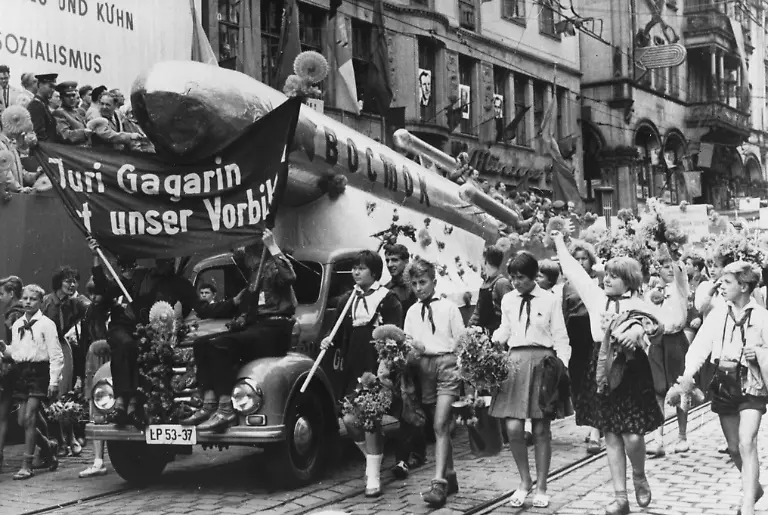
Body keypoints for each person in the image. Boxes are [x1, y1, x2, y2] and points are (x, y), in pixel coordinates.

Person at [552, 231, 663, 515]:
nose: (608, 279)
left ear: (630, 281)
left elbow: (656, 327)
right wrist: (559, 241)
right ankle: (620, 498)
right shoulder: (596, 298)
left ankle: (639, 473)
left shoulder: (639, 304)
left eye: (615, 276)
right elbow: (574, 271)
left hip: (631, 371)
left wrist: (637, 332)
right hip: (601, 368)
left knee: (633, 436)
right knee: (611, 435)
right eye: (607, 275)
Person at [182, 229, 296, 432]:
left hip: (276, 329)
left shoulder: (271, 266)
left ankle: (225, 407)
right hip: (257, 327)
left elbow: (289, 276)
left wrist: (271, 245)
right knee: (202, 344)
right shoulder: (254, 275)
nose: (245, 256)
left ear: (257, 251)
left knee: (224, 345)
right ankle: (209, 402)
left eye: (249, 250)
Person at [681, 261, 768, 515]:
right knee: (733, 447)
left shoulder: (762, 317)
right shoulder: (718, 314)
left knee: (746, 441)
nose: (721, 286)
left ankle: (747, 503)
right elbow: (700, 346)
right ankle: (753, 487)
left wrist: (758, 353)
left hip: (751, 384)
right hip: (724, 382)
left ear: (744, 286)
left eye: (727, 282)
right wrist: (688, 374)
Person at [490, 252, 570, 509]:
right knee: (513, 428)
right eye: (513, 277)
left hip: (542, 364)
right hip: (515, 363)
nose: (516, 282)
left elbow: (560, 335)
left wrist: (562, 368)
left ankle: (542, 486)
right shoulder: (508, 299)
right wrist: (492, 340)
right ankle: (525, 481)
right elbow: (505, 329)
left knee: (540, 428)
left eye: (521, 277)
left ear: (534, 276)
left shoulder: (550, 299)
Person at [319, 250, 402, 497]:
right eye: (354, 268)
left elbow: (395, 336)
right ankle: (372, 459)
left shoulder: (387, 298)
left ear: (374, 273)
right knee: (349, 420)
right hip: (353, 365)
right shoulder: (347, 300)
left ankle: (373, 477)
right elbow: (340, 333)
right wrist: (329, 340)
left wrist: (386, 368)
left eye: (361, 268)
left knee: (369, 419)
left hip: (376, 363)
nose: (356, 272)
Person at [88, 239, 197, 427]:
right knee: (127, 345)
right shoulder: (140, 276)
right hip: (124, 327)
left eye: (169, 259)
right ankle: (121, 403)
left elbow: (194, 308)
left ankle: (135, 406)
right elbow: (106, 289)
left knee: (150, 353)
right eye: (160, 258)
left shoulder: (181, 284)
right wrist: (96, 257)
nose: (164, 262)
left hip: (151, 334)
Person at [404, 257, 464, 508]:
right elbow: (407, 343)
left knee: (440, 423)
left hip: (447, 365)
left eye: (423, 282)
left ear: (434, 282)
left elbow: (461, 341)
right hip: (424, 368)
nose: (419, 288)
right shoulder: (412, 312)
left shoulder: (449, 308)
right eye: (415, 283)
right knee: (438, 426)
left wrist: (462, 373)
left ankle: (438, 484)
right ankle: (450, 474)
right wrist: (409, 353)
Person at [0, 284, 63, 480]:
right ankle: (49, 447)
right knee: (21, 421)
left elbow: (56, 355)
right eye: (25, 298)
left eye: (33, 299)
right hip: (22, 373)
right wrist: (5, 349)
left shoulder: (47, 324)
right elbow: (17, 352)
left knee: (29, 417)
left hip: (39, 373)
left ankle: (26, 465)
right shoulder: (18, 324)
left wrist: (54, 381)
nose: (28, 302)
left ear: (41, 302)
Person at [383, 244, 425, 479]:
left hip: (415, 352)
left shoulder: (414, 288)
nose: (390, 264)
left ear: (406, 261)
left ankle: (412, 454)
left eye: (395, 260)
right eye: (388, 259)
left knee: (413, 402)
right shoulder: (387, 290)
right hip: (396, 354)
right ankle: (409, 454)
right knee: (404, 404)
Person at [561, 240, 604, 455]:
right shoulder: (567, 285)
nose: (580, 262)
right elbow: (564, 312)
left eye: (584, 258)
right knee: (579, 384)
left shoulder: (600, 281)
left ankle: (596, 428)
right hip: (575, 337)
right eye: (576, 259)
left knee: (595, 381)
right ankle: (593, 421)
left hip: (594, 335)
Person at [646, 252, 690, 457]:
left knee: (680, 387)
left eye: (671, 266)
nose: (670, 270)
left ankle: (682, 436)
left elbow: (680, 272)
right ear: (658, 269)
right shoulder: (651, 291)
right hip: (657, 342)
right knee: (658, 388)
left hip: (675, 341)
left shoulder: (680, 287)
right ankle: (658, 439)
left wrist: (674, 256)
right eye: (665, 267)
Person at [78, 279, 111, 478]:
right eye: (90, 294)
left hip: (110, 358)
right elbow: (84, 340)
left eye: (97, 293)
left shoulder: (114, 311)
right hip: (93, 360)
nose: (93, 298)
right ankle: (98, 460)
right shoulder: (90, 312)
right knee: (95, 409)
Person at [468, 246, 513, 334]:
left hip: (495, 335)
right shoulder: (485, 282)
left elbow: (510, 314)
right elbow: (478, 310)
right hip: (480, 333)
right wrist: (470, 326)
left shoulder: (502, 283)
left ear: (486, 261)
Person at [53, 81, 91, 147]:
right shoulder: (59, 113)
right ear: (62, 98)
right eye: (68, 96)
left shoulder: (78, 112)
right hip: (71, 150)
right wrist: (83, 133)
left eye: (73, 95)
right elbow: (65, 135)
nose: (71, 98)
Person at [27, 74, 60, 142]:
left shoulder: (43, 104)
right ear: (40, 85)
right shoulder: (36, 105)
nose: (53, 90)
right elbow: (40, 136)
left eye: (54, 87)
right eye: (50, 86)